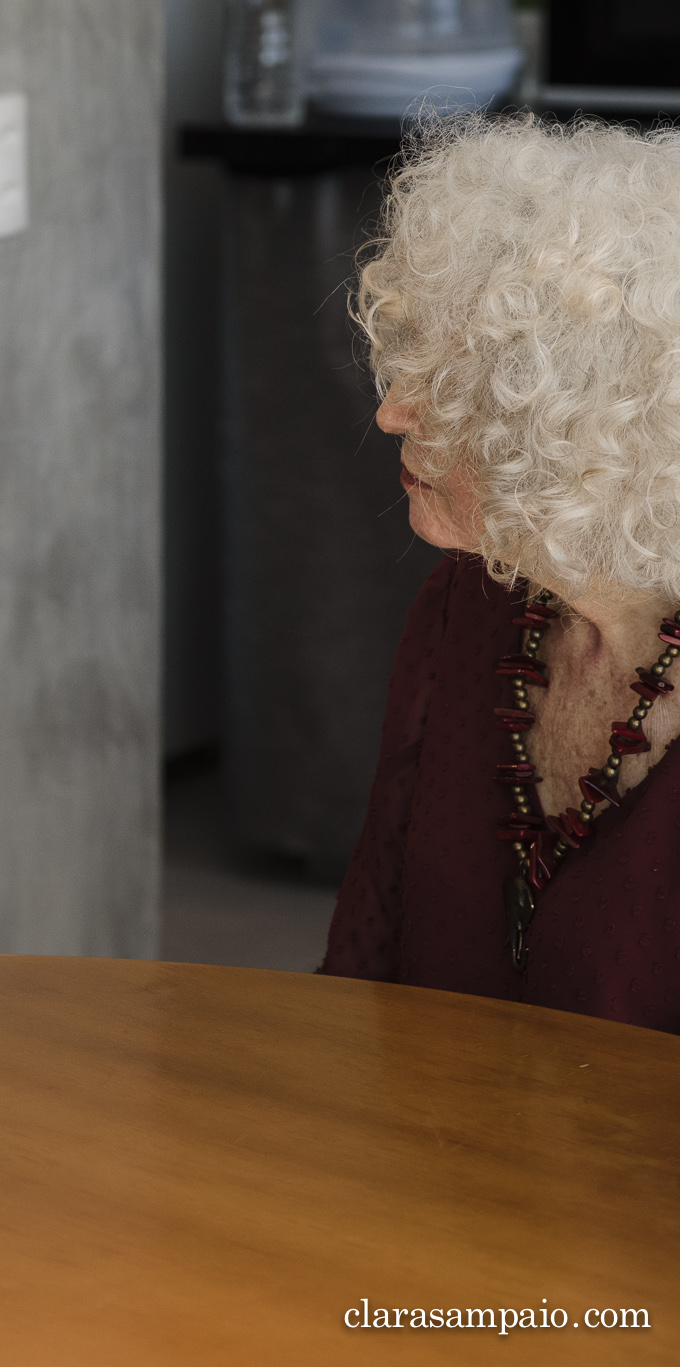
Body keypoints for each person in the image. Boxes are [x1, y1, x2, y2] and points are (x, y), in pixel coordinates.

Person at [323, 115, 680, 1033]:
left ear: (604, 447)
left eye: (461, 393)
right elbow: (361, 964)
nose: (393, 411)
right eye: (410, 365)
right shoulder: (467, 607)